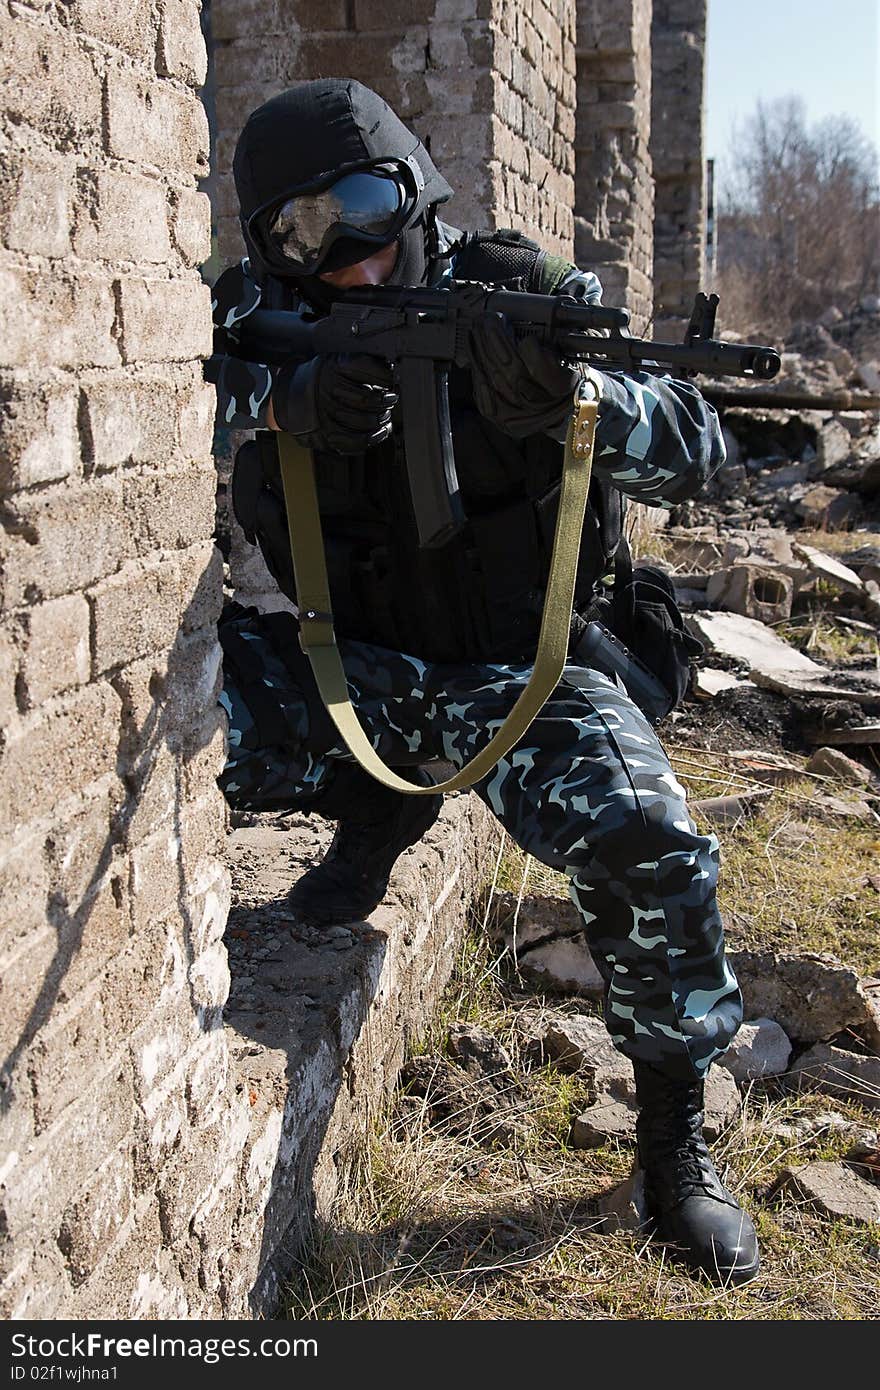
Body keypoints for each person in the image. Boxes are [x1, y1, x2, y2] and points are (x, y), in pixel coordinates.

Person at [210, 78, 760, 1287]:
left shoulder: (524, 295)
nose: (344, 254)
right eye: (302, 232)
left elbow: (699, 441)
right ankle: (378, 808)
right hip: (346, 670)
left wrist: (585, 400)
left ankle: (671, 1141)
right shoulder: (274, 318)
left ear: (411, 190)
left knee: (647, 841)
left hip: (526, 675)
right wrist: (279, 397)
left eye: (361, 209)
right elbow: (180, 384)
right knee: (188, 738)